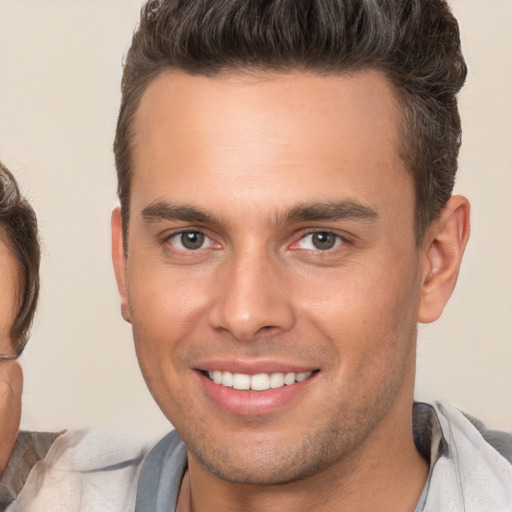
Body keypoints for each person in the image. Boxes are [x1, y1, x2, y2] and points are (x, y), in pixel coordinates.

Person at [4, 0, 512, 511]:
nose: (245, 314)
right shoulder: (33, 490)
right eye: (191, 239)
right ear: (125, 261)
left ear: (437, 261)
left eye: (321, 240)